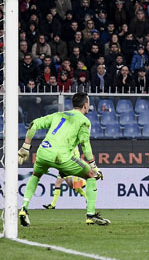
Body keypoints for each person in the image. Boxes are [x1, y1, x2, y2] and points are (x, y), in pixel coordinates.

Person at [18, 92, 110, 226]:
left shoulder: (58, 115)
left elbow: (34, 124)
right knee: (91, 175)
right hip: (61, 157)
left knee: (36, 176)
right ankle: (91, 215)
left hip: (43, 153)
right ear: (85, 105)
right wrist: (94, 166)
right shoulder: (84, 121)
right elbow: (85, 145)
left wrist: (25, 147)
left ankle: (24, 209)